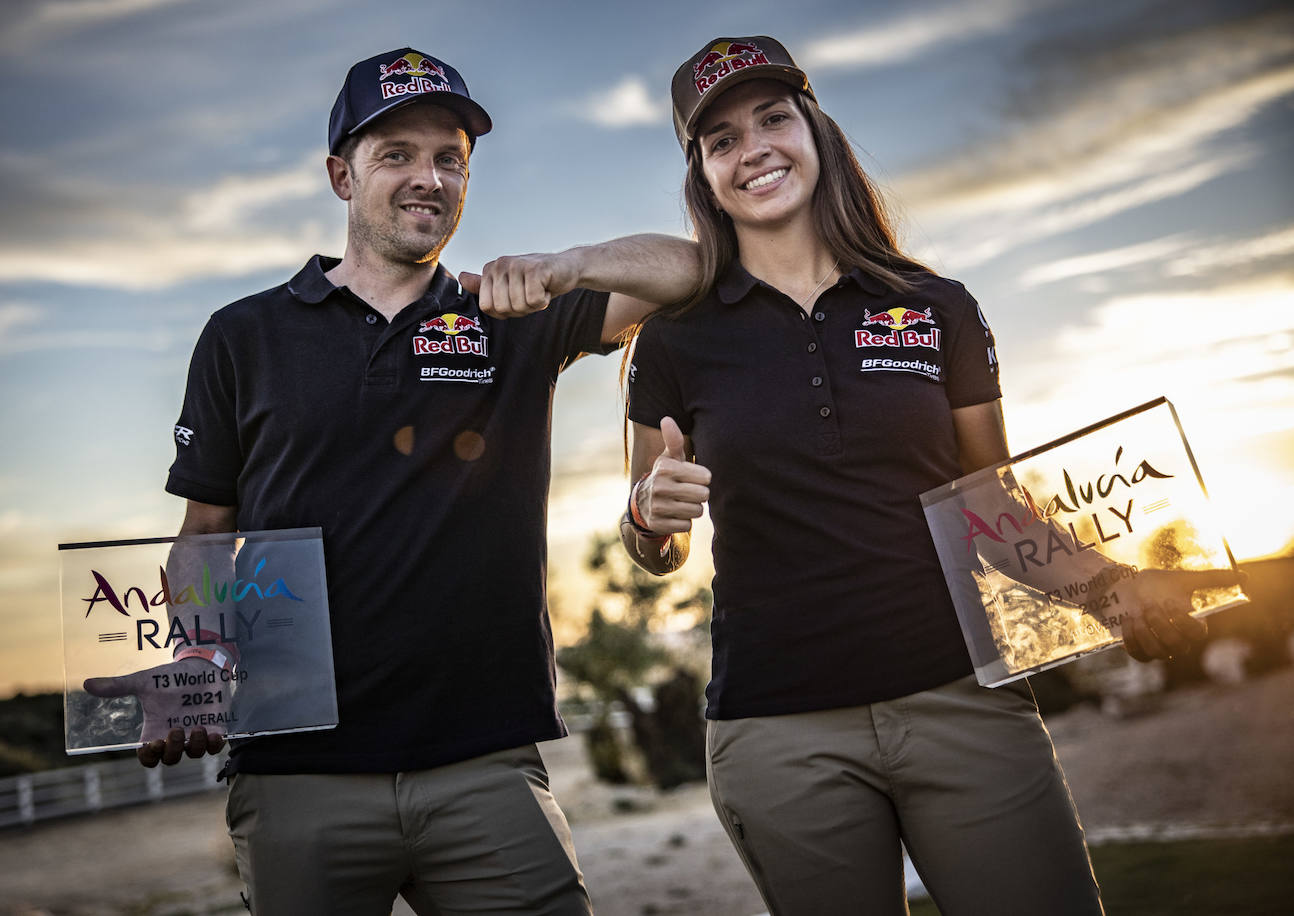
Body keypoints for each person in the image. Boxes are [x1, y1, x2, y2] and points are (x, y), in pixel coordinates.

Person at [620, 35, 1229, 915]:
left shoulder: (936, 307)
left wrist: (1111, 589)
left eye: (773, 119)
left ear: (815, 132)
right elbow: (653, 543)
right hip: (776, 728)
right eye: (721, 139)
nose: (752, 149)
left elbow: (991, 504)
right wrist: (650, 516)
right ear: (704, 176)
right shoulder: (674, 339)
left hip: (962, 698)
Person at [105, 47, 698, 915]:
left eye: (450, 158)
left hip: (485, 762)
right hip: (297, 770)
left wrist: (567, 266)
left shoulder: (509, 315)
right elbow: (205, 535)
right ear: (342, 176)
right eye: (397, 155)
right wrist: (197, 655)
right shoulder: (244, 336)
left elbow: (693, 269)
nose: (429, 177)